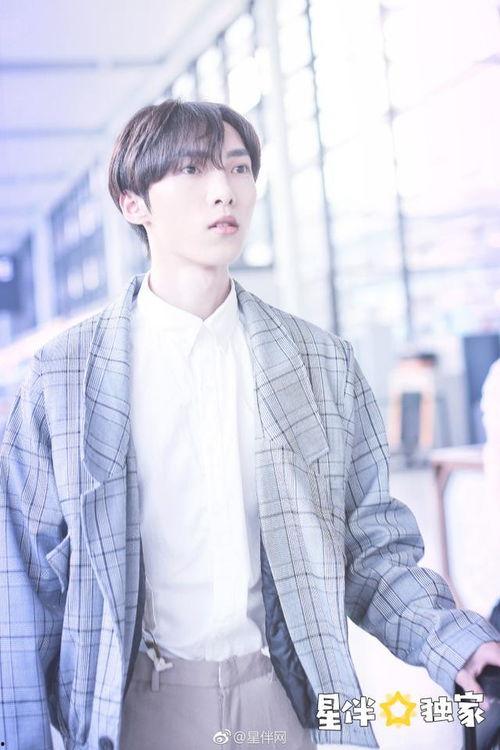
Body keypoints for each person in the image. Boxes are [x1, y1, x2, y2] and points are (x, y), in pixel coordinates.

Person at [1, 99, 500, 750]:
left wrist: (457, 644)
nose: (224, 190)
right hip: (138, 708)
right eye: (191, 168)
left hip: (283, 695)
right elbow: (23, 592)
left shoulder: (320, 363)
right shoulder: (62, 379)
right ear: (133, 202)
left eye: (238, 168)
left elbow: (372, 550)